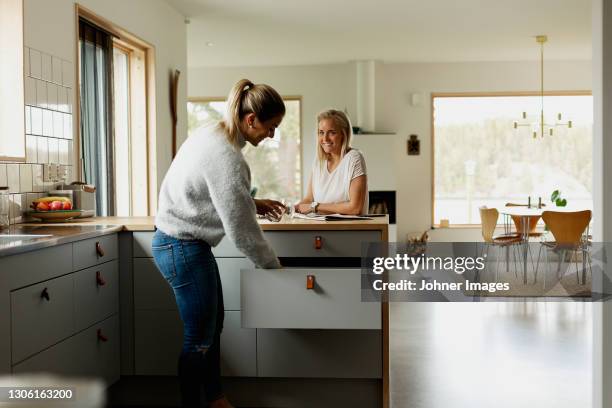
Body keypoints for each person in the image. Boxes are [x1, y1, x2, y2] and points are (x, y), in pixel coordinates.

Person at [152, 79, 285, 408]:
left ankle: (215, 399)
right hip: (181, 246)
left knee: (211, 329)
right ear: (251, 119)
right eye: (271, 127)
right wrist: (273, 267)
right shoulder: (227, 157)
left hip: (181, 243)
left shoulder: (212, 132)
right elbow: (242, 231)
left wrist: (252, 202)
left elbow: (214, 194)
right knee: (198, 338)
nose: (271, 135)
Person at [295, 109, 368, 215]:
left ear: (343, 134)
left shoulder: (354, 158)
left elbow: (355, 208)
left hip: (349, 230)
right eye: (321, 132)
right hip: (321, 229)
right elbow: (309, 199)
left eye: (332, 133)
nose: (325, 138)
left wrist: (315, 206)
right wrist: (292, 209)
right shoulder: (318, 161)